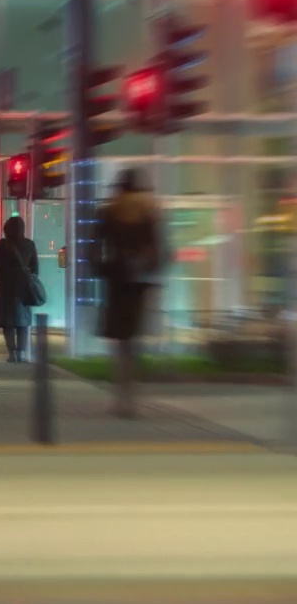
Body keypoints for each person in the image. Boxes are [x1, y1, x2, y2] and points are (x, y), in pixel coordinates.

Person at [89, 168, 167, 418]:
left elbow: (93, 251)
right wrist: (149, 270)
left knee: (121, 343)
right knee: (132, 342)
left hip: (116, 284)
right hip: (138, 284)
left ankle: (122, 397)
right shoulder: (148, 215)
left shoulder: (108, 213)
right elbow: (159, 253)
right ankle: (130, 397)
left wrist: (105, 269)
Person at [0, 215, 38, 363]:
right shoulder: (29, 245)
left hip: (6, 288)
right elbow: (35, 268)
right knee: (22, 323)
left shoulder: (2, 245)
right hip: (23, 289)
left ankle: (12, 353)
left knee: (8, 323)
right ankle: (22, 353)